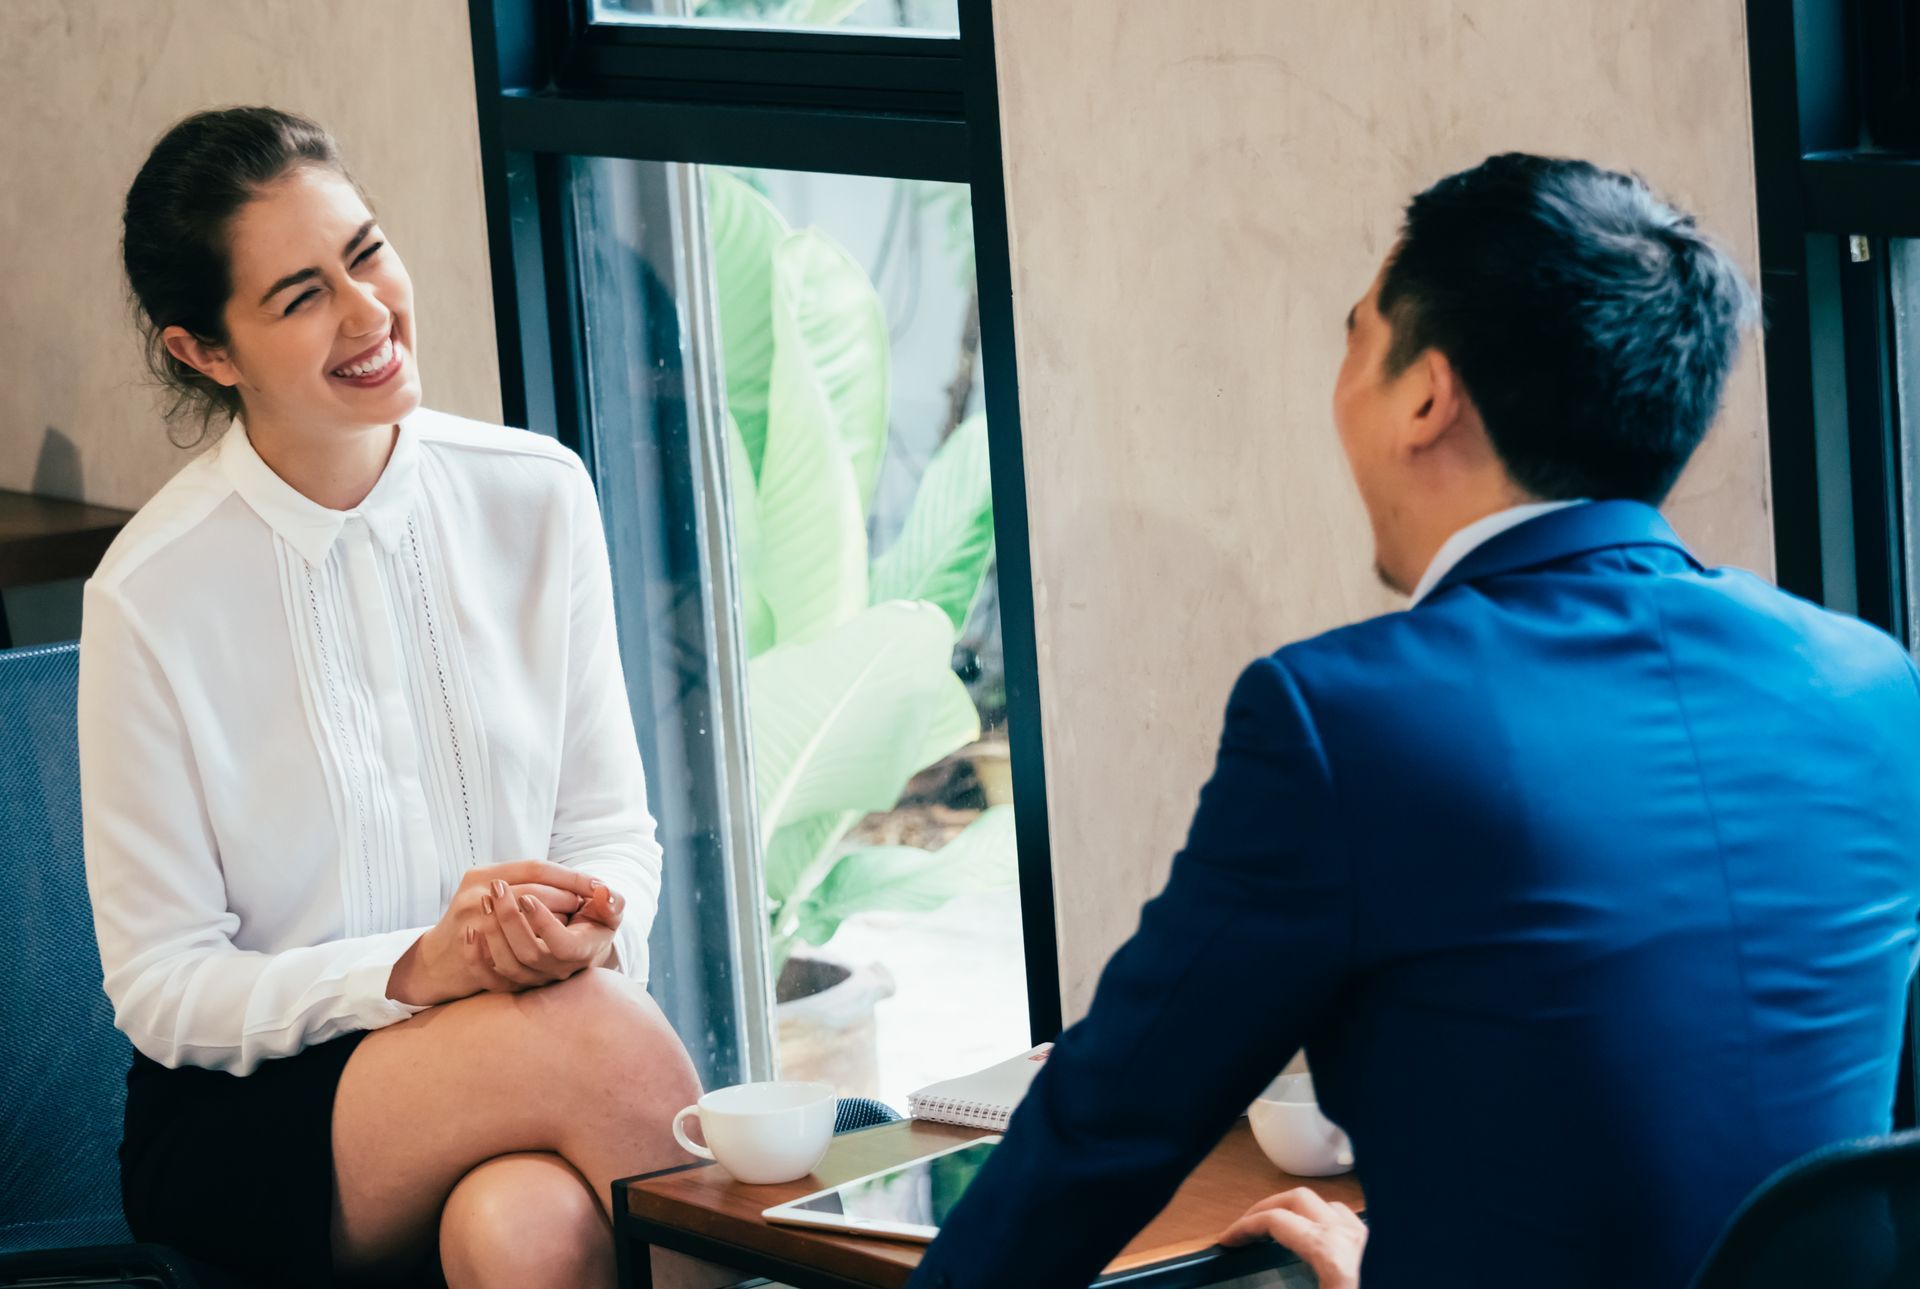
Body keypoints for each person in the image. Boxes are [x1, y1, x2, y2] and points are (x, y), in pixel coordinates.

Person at [907, 154, 1920, 1289]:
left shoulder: (1348, 722)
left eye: (1357, 337)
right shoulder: (1871, 686)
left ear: (1428, 396)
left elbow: (1106, 1126)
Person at [87, 106, 700, 1289]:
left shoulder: (538, 496)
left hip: (537, 1043)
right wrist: (416, 968)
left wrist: (589, 920)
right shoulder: (150, 594)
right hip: (259, 1110)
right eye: (300, 297)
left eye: (366, 252)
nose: (368, 313)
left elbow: (609, 827)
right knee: (598, 1036)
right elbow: (162, 987)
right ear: (206, 352)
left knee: (526, 1232)